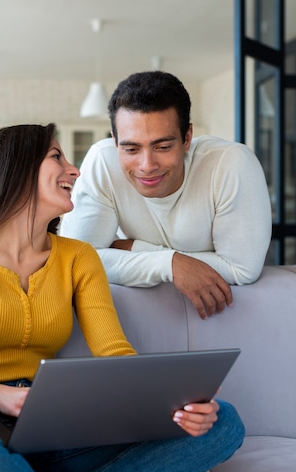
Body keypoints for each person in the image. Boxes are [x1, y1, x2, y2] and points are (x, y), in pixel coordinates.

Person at [0, 123, 245, 472]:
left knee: (222, 422)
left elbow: (114, 352)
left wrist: (170, 400)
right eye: (57, 157)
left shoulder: (79, 257)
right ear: (14, 168)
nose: (74, 171)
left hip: (57, 432)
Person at [60, 71, 272, 320]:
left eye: (162, 147)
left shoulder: (231, 164)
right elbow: (76, 262)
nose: (147, 165)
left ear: (187, 138)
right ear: (115, 142)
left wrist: (136, 249)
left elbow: (241, 269)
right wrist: (169, 264)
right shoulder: (102, 162)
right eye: (131, 148)